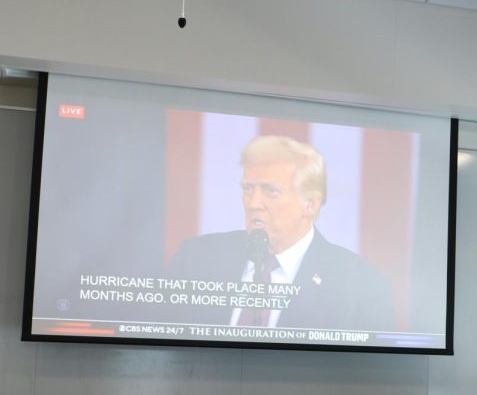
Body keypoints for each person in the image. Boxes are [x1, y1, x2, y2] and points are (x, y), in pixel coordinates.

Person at [168, 135, 393, 331]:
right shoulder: (195, 259)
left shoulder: (361, 285)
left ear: (311, 205)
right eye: (248, 189)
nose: (254, 203)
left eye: (270, 190)